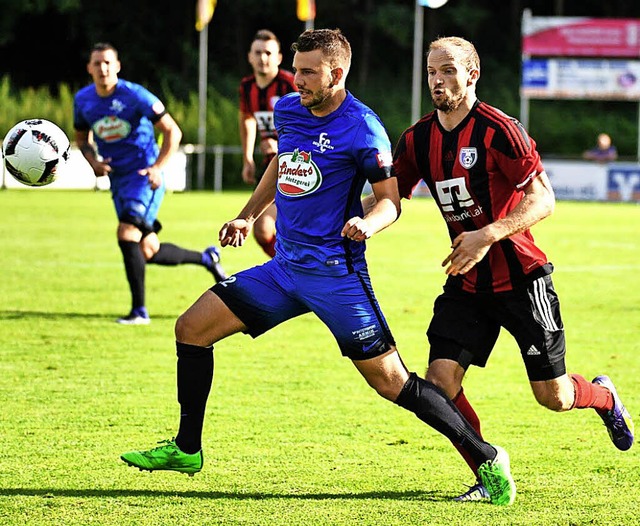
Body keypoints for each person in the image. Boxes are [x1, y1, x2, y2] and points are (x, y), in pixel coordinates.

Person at [121, 29, 517, 506]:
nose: (298, 80)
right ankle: (187, 448)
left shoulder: (363, 127)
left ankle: (487, 457)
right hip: (284, 269)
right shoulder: (290, 109)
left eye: (309, 72)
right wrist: (248, 215)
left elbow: (392, 202)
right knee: (190, 329)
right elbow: (279, 162)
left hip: (337, 277)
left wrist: (368, 224)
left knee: (393, 383)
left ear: (337, 73)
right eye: (298, 70)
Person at [387, 36, 634, 502]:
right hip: (466, 280)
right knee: (439, 382)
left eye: (447, 71)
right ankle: (487, 470)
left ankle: (603, 396)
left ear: (472, 74)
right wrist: (338, 216)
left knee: (554, 397)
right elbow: (390, 197)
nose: (437, 81)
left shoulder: (500, 130)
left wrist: (488, 233)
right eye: (431, 72)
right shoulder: (417, 139)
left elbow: (544, 198)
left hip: (521, 277)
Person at [74, 42, 227, 325]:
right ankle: (207, 259)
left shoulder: (134, 95)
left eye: (108, 62)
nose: (103, 68)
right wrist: (93, 162)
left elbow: (173, 131)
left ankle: (139, 312)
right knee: (147, 250)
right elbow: (82, 140)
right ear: (89, 68)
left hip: (145, 177)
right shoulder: (83, 100)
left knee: (127, 231)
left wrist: (158, 167)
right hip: (118, 181)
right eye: (97, 63)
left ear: (117, 66)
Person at [239, 29, 298, 258]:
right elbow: (247, 119)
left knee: (268, 227)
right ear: (250, 57)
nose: (263, 58)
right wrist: (247, 158)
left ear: (279, 58)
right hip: (271, 166)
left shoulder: (290, 85)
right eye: (258, 53)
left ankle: (292, 270)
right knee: (263, 230)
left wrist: (282, 144)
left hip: (297, 165)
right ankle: (289, 268)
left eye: (268, 53)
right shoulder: (246, 87)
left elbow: (309, 123)